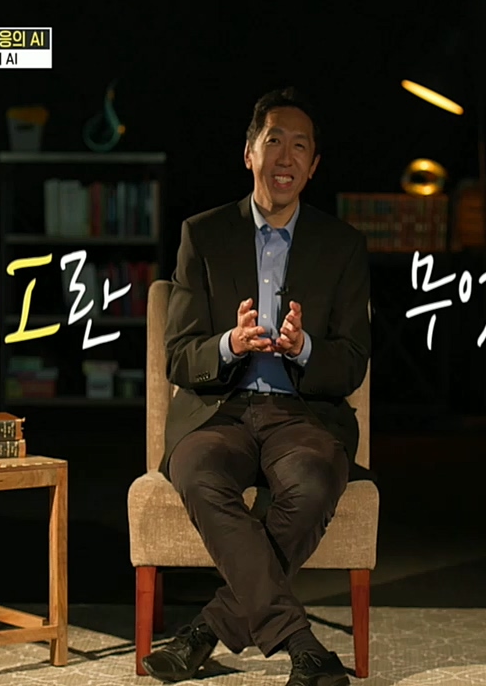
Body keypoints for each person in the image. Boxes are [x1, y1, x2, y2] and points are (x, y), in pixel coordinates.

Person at [142, 87, 370, 686]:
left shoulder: (343, 246)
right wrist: (230, 344)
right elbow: (178, 355)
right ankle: (300, 643)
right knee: (197, 473)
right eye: (274, 142)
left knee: (316, 479)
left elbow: (352, 362)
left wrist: (304, 348)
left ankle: (203, 633)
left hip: (303, 417)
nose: (285, 157)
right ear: (249, 153)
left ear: (313, 165)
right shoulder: (203, 234)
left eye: (300, 146)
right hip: (219, 413)